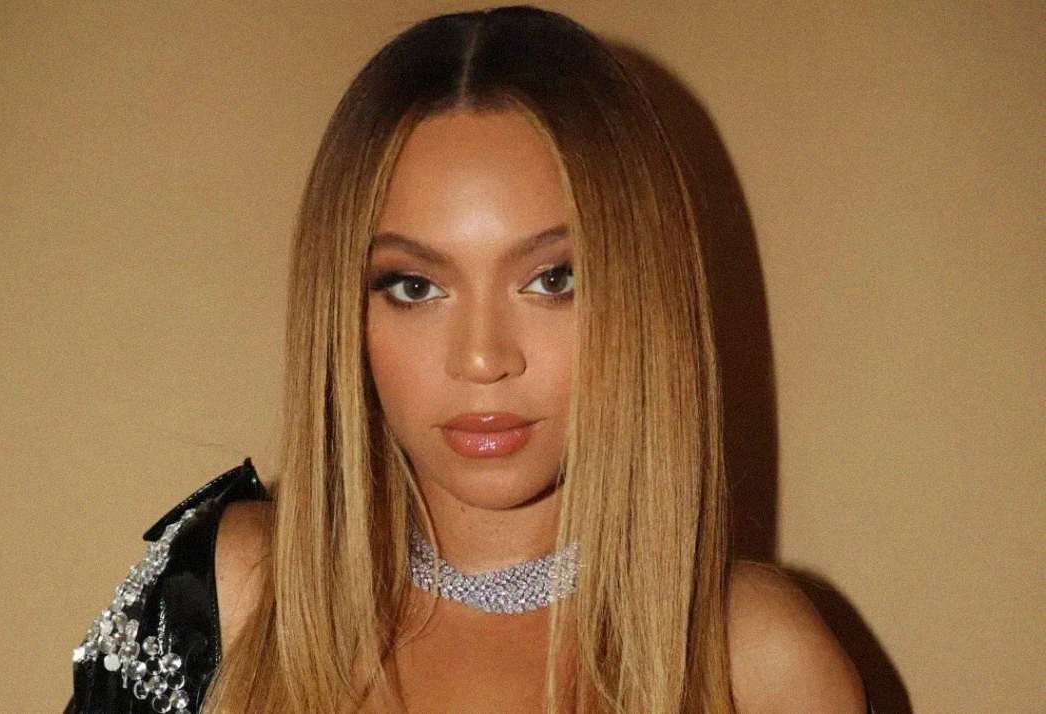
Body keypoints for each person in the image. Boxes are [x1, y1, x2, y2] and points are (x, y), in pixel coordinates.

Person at [66, 5, 868, 712]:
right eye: (416, 286)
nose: (484, 359)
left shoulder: (758, 662)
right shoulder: (224, 599)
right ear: (343, 309)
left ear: (642, 298)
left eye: (554, 279)